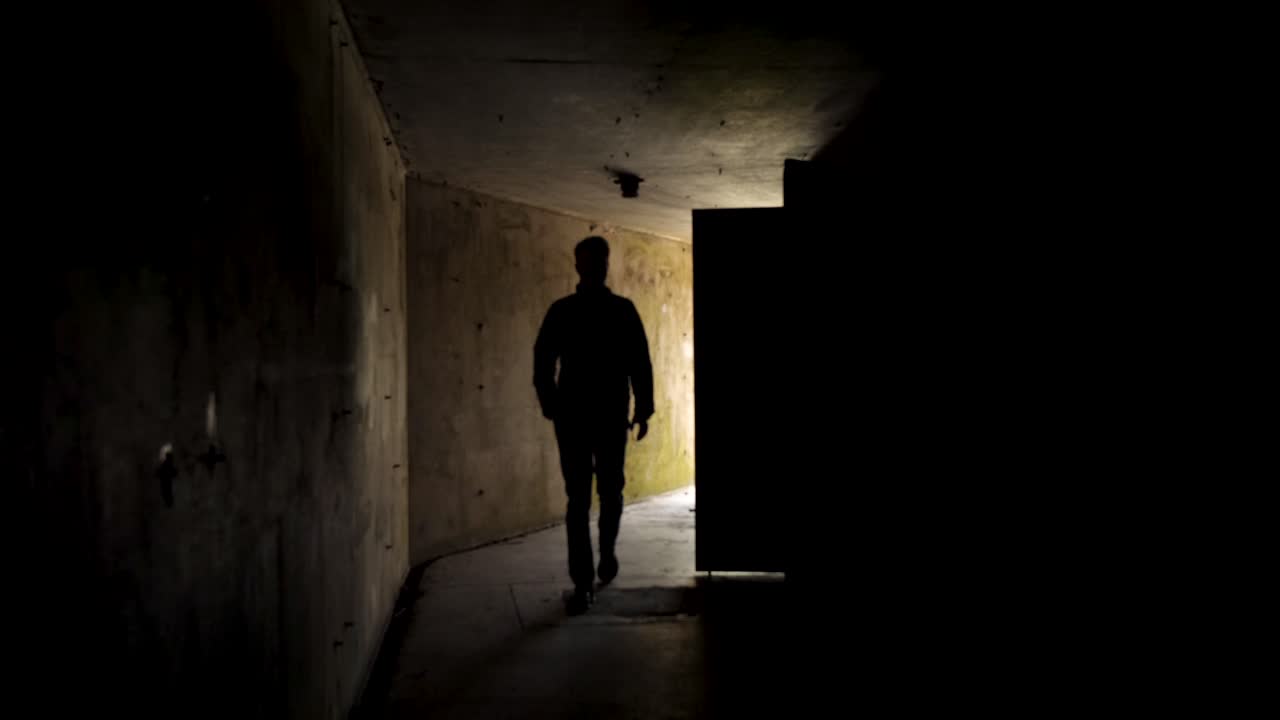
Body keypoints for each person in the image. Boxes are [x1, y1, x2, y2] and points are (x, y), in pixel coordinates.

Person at [534, 236, 654, 614]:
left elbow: (639, 362)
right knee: (596, 496)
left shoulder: (567, 311)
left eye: (598, 262)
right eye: (592, 262)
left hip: (588, 416)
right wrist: (642, 408)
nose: (595, 269)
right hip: (596, 415)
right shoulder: (618, 310)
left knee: (593, 497)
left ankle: (595, 568)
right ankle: (591, 571)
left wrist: (552, 404)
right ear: (582, 266)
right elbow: (639, 363)